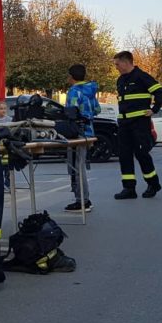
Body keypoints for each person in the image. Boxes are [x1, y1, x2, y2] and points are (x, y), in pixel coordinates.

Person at [113, 51, 162, 199]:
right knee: (124, 156)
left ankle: (153, 184)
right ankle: (129, 188)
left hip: (139, 124)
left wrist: (154, 109)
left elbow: (160, 92)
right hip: (124, 124)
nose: (116, 67)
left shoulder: (141, 77)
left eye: (117, 64)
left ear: (126, 62)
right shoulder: (120, 80)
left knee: (142, 154)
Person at [63, 64, 100, 212]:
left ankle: (82, 201)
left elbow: (70, 112)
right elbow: (97, 109)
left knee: (76, 167)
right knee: (81, 165)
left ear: (71, 76)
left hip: (76, 132)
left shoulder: (74, 91)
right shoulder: (90, 90)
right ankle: (83, 199)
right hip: (89, 131)